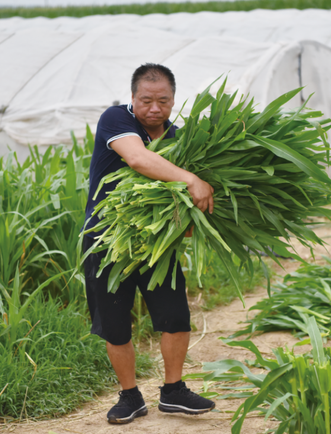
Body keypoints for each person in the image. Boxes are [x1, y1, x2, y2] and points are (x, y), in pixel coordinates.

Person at [82, 63, 216, 425]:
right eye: (146, 100)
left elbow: (179, 198)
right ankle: (129, 397)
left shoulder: (179, 138)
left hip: (157, 244)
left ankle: (173, 392)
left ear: (173, 100)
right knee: (114, 322)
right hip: (106, 239)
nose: (154, 108)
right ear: (132, 98)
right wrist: (192, 179)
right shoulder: (116, 119)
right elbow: (139, 159)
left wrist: (189, 220)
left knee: (175, 316)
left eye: (163, 101)